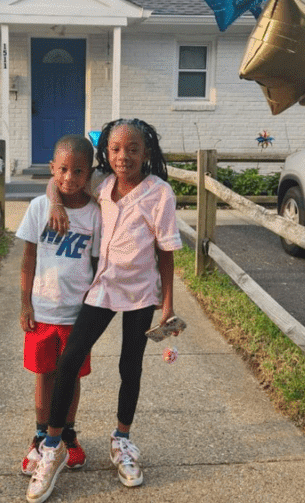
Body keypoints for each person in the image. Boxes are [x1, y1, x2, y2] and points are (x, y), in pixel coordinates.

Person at [26, 118, 183, 503]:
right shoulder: (103, 185)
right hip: (102, 288)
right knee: (69, 359)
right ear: (105, 155)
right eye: (115, 149)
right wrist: (57, 199)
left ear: (146, 153)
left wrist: (168, 303)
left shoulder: (159, 194)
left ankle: (123, 440)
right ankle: (53, 444)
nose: (123, 156)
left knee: (130, 365)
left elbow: (166, 252)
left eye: (132, 149)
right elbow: (57, 180)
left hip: (141, 294)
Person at [15, 134, 101, 478]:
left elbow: (97, 266)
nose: (69, 178)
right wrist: (24, 303)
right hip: (43, 311)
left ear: (89, 172)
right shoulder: (39, 208)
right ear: (52, 169)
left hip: (77, 315)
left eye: (78, 171)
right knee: (45, 374)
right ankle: (39, 435)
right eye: (63, 169)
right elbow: (27, 259)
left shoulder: (95, 214)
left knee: (73, 375)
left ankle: (67, 433)